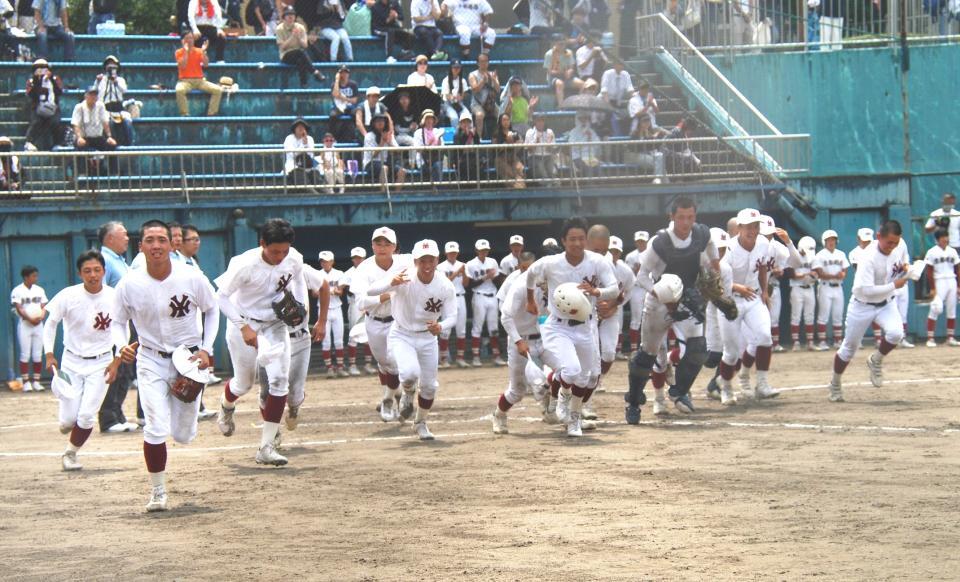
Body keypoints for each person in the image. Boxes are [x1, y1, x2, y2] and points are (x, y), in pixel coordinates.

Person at [113, 220, 219, 512]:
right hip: (150, 360)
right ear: (141, 246)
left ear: (172, 244)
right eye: (150, 240)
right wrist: (121, 344)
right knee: (155, 427)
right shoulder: (129, 283)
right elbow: (118, 321)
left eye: (161, 239)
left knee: (183, 435)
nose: (156, 245)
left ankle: (185, 417)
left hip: (188, 360)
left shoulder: (191, 277)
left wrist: (207, 349)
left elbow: (212, 310)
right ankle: (157, 491)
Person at [215, 218, 321, 466]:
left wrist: (297, 306)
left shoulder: (293, 258)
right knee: (243, 384)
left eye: (284, 251)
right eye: (275, 251)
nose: (280, 256)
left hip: (275, 324)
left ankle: (266, 446)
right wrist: (243, 327)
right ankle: (226, 405)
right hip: (244, 323)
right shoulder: (245, 265)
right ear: (262, 243)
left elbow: (295, 279)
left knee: (279, 381)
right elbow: (220, 297)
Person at [625, 197, 721, 422]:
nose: (685, 223)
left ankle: (679, 392)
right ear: (672, 217)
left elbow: (711, 253)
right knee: (646, 356)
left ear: (695, 217)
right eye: (681, 218)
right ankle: (633, 402)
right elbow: (641, 276)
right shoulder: (659, 243)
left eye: (690, 217)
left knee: (698, 349)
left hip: (688, 297)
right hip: (659, 301)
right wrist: (660, 294)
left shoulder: (702, 234)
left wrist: (713, 273)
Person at [525, 216, 618, 437]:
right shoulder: (551, 263)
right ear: (563, 241)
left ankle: (574, 419)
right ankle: (560, 401)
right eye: (572, 239)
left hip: (586, 326)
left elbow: (613, 289)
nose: (577, 243)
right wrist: (530, 299)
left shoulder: (597, 262)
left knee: (586, 378)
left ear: (586, 240)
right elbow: (530, 274)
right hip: (558, 326)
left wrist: (597, 292)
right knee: (571, 369)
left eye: (581, 239)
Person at [42, 250, 125, 471]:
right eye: (87, 271)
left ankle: (70, 453)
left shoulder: (113, 297)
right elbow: (50, 324)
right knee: (69, 420)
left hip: (102, 362)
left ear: (104, 272)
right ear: (80, 273)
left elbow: (122, 328)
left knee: (87, 415)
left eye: (97, 270)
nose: (93, 275)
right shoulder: (68, 295)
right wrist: (49, 353)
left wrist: (117, 360)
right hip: (71, 362)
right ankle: (68, 422)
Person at [365, 239, 456, 440]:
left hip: (427, 338)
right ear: (415, 261)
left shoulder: (445, 285)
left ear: (437, 260)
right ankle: (407, 393)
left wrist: (441, 326)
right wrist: (391, 282)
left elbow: (452, 316)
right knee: (409, 374)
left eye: (430, 260)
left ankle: (420, 422)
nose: (426, 265)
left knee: (430, 386)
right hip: (402, 334)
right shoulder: (403, 277)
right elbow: (371, 291)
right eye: (422, 260)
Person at [827, 220, 910, 402]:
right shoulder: (867, 257)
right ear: (879, 236)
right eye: (889, 242)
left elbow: (904, 262)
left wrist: (908, 269)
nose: (893, 246)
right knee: (849, 348)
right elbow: (867, 290)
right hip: (862, 305)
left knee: (896, 333)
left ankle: (876, 360)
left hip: (886, 303)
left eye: (896, 242)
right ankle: (835, 383)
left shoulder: (899, 244)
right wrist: (894, 284)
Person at [351, 226, 414, 421]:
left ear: (395, 247)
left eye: (387, 243)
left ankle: (390, 398)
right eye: (378, 243)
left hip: (399, 321)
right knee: (384, 363)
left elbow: (425, 265)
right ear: (372, 245)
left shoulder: (406, 261)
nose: (382, 247)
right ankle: (395, 395)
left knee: (396, 362)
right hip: (374, 321)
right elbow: (361, 302)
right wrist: (386, 295)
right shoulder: (364, 269)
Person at [491, 251, 550, 433]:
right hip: (521, 340)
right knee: (518, 391)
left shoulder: (549, 282)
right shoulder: (516, 284)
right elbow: (505, 315)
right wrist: (517, 341)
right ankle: (499, 415)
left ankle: (552, 409)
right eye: (525, 268)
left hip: (543, 337)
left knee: (560, 373)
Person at [97, 221, 140, 433]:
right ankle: (108, 418)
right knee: (117, 369)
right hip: (115, 324)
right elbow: (100, 292)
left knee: (126, 370)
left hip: (129, 321)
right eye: (123, 234)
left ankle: (117, 413)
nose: (127, 238)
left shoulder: (121, 261)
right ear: (110, 238)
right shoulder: (103, 260)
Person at [465, 238, 505, 366]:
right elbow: (470, 285)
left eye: (486, 250)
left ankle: (496, 356)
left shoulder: (492, 262)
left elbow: (498, 282)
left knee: (494, 327)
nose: (484, 252)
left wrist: (494, 277)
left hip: (492, 295)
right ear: (477, 251)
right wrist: (485, 277)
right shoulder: (470, 264)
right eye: (481, 250)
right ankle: (476, 357)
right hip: (479, 295)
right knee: (477, 326)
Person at [339, 246, 375, 375]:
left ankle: (368, 364)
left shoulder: (370, 270)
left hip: (369, 303)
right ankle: (352, 365)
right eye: (355, 258)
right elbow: (340, 288)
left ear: (364, 258)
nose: (357, 260)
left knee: (370, 334)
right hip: (355, 304)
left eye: (359, 258)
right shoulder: (348, 273)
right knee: (354, 335)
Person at [11, 264, 47, 392]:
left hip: (38, 325)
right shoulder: (17, 290)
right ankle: (26, 383)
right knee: (25, 354)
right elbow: (19, 307)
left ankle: (36, 382)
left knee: (37, 354)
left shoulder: (39, 290)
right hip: (25, 325)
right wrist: (30, 319)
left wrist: (41, 316)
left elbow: (43, 306)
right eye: (33, 276)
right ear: (26, 277)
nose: (36, 278)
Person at [813, 229, 849, 350]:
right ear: (825, 241)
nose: (831, 242)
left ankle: (838, 341)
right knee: (823, 315)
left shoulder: (841, 254)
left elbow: (845, 269)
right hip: (825, 287)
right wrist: (835, 276)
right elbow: (820, 273)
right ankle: (822, 342)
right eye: (829, 240)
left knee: (838, 315)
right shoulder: (820, 255)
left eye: (833, 239)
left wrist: (842, 274)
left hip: (838, 287)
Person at [923, 229, 960, 347]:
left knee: (952, 309)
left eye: (946, 236)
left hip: (951, 280)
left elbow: (957, 269)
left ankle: (950, 337)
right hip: (939, 281)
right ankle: (930, 338)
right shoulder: (932, 252)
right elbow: (929, 271)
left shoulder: (952, 251)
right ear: (937, 239)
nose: (945, 239)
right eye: (943, 237)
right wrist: (932, 288)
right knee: (935, 308)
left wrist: (959, 285)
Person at [175, 29, 223, 117]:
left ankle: (211, 113)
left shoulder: (198, 51)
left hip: (200, 80)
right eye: (187, 38)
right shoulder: (179, 52)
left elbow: (206, 64)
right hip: (185, 81)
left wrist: (204, 51)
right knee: (179, 90)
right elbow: (183, 66)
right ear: (182, 40)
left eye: (191, 38)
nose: (189, 40)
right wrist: (185, 52)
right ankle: (184, 113)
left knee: (218, 90)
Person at [72, 86, 117, 175]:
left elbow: (105, 122)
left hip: (97, 137)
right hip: (84, 137)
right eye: (91, 94)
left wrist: (109, 136)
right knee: (80, 147)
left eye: (95, 95)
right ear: (86, 96)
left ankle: (113, 173)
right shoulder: (79, 107)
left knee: (111, 146)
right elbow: (75, 124)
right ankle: (82, 173)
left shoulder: (100, 106)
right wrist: (79, 137)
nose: (93, 97)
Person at [317, 250, 348, 378]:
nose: (325, 263)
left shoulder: (339, 273)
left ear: (332, 261)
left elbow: (340, 291)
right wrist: (330, 291)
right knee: (326, 341)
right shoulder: (317, 274)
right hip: (323, 309)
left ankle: (340, 367)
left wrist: (328, 291)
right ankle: (329, 368)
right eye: (322, 261)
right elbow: (314, 293)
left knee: (339, 340)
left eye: (327, 261)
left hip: (336, 308)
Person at [277, 7, 326, 88]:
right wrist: (292, 37)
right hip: (286, 55)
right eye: (288, 15)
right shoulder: (280, 29)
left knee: (301, 60)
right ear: (284, 17)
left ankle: (304, 84)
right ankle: (315, 72)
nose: (290, 17)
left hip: (299, 55)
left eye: (292, 15)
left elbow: (305, 45)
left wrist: (299, 38)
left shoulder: (300, 27)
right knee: (300, 53)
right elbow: (282, 47)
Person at [438, 241, 468, 367]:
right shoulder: (440, 267)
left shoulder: (462, 265)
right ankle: (443, 359)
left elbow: (466, 284)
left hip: (461, 297)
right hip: (448, 299)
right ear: (446, 253)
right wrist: (457, 272)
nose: (452, 254)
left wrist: (464, 272)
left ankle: (460, 358)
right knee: (445, 330)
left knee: (461, 330)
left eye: (454, 252)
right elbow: (445, 283)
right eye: (450, 252)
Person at [24, 58, 64, 151]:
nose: (41, 70)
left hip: (52, 107)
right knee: (36, 122)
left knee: (56, 122)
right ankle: (29, 142)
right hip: (37, 107)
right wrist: (37, 81)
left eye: (43, 68)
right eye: (38, 68)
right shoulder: (31, 81)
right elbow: (31, 95)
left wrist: (51, 79)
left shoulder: (55, 79)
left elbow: (59, 91)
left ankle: (57, 143)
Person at [95, 55, 135, 146]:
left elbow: (124, 90)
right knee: (109, 122)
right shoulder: (101, 79)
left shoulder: (121, 80)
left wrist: (115, 81)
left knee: (127, 121)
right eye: (109, 66)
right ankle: (112, 144)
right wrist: (97, 82)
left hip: (118, 108)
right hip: (105, 109)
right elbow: (95, 92)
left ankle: (129, 144)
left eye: (113, 66)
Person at [363, 113, 406, 188]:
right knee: (384, 168)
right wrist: (382, 142)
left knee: (402, 171)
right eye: (378, 121)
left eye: (382, 121)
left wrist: (389, 142)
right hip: (371, 163)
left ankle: (397, 195)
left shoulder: (389, 134)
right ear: (373, 123)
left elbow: (398, 151)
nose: (380, 123)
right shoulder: (369, 136)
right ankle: (383, 194)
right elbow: (373, 155)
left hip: (385, 162)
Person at [789, 236, 818, 350]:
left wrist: (814, 275)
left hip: (809, 287)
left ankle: (810, 343)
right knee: (796, 316)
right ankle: (795, 343)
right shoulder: (793, 257)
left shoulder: (812, 257)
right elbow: (792, 275)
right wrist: (806, 274)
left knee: (809, 316)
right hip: (797, 288)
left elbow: (816, 272)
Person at [624, 230, 649, 354]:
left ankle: (647, 347)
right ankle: (634, 349)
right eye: (639, 241)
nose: (641, 243)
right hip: (636, 288)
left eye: (643, 241)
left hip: (649, 288)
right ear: (635, 242)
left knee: (650, 318)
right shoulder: (630, 256)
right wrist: (635, 270)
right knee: (636, 319)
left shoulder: (651, 253)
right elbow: (627, 277)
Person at [468, 53, 500, 139]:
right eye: (481, 61)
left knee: (502, 115)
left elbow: (498, 90)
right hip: (477, 104)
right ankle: (479, 139)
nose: (484, 63)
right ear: (477, 63)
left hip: (491, 103)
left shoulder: (492, 74)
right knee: (479, 115)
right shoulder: (472, 75)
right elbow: (474, 89)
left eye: (486, 61)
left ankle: (498, 137)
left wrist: (494, 80)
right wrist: (483, 81)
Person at [543, 35, 579, 112]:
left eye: (563, 44)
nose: (562, 46)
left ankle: (580, 107)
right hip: (553, 77)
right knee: (560, 84)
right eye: (560, 44)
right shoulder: (549, 54)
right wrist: (562, 72)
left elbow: (572, 67)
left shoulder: (569, 52)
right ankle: (561, 107)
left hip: (567, 77)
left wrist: (570, 71)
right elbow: (549, 71)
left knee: (583, 84)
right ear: (554, 44)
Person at [491, 113, 526, 189]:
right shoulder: (496, 134)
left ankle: (520, 189)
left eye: (507, 120)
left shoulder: (515, 133)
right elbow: (495, 148)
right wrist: (506, 142)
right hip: (500, 158)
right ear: (500, 122)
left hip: (513, 157)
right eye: (504, 120)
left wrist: (514, 142)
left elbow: (520, 144)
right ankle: (516, 190)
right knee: (509, 173)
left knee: (520, 170)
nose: (506, 122)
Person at [600, 61, 634, 136]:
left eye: (622, 64)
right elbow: (604, 90)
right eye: (619, 64)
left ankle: (625, 135)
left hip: (617, 102)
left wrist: (635, 99)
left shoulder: (625, 74)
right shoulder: (607, 73)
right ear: (615, 65)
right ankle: (607, 135)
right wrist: (608, 105)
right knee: (607, 116)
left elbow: (630, 88)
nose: (621, 66)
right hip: (605, 101)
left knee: (628, 115)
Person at [283, 118, 321, 185]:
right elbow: (293, 154)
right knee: (299, 174)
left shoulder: (310, 139)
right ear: (294, 128)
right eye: (298, 127)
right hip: (293, 166)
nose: (301, 128)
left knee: (315, 173)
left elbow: (310, 155)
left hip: (308, 166)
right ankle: (311, 192)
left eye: (303, 127)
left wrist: (306, 143)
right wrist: (303, 144)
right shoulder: (289, 138)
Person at [524, 112, 557, 182]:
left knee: (553, 173)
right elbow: (529, 151)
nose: (540, 123)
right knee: (543, 175)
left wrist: (549, 144)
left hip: (548, 157)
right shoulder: (529, 132)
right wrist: (536, 142)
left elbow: (553, 150)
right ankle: (548, 189)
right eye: (538, 120)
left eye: (542, 120)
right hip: (534, 157)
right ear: (535, 122)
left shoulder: (550, 132)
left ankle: (555, 189)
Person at [330, 65, 359, 143]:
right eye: (342, 73)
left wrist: (343, 98)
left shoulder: (353, 84)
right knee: (333, 116)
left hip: (350, 107)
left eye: (346, 72)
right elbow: (335, 94)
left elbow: (354, 100)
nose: (344, 74)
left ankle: (357, 135)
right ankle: (333, 137)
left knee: (356, 114)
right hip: (338, 107)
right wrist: (336, 80)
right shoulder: (334, 85)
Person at [413, 109, 443, 184]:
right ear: (423, 120)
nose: (429, 121)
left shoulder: (437, 131)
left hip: (435, 158)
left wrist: (438, 139)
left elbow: (442, 147)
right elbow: (417, 149)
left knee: (437, 166)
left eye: (431, 118)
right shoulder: (418, 132)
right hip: (423, 160)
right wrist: (429, 144)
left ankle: (437, 188)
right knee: (428, 169)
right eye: (427, 118)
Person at [568, 113, 601, 178]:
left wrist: (590, 137)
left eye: (585, 118)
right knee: (588, 167)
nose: (583, 120)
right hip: (578, 157)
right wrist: (583, 139)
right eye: (581, 119)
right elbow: (573, 146)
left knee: (598, 168)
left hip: (590, 156)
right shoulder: (573, 132)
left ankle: (600, 186)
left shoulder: (591, 131)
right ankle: (590, 186)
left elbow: (597, 144)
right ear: (578, 120)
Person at [440, 59, 468, 126]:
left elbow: (465, 94)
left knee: (467, 116)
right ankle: (456, 136)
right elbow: (446, 95)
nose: (456, 69)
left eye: (458, 67)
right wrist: (453, 97)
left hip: (459, 104)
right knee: (454, 118)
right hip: (448, 104)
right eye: (454, 67)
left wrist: (461, 97)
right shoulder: (445, 80)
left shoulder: (462, 80)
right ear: (451, 68)